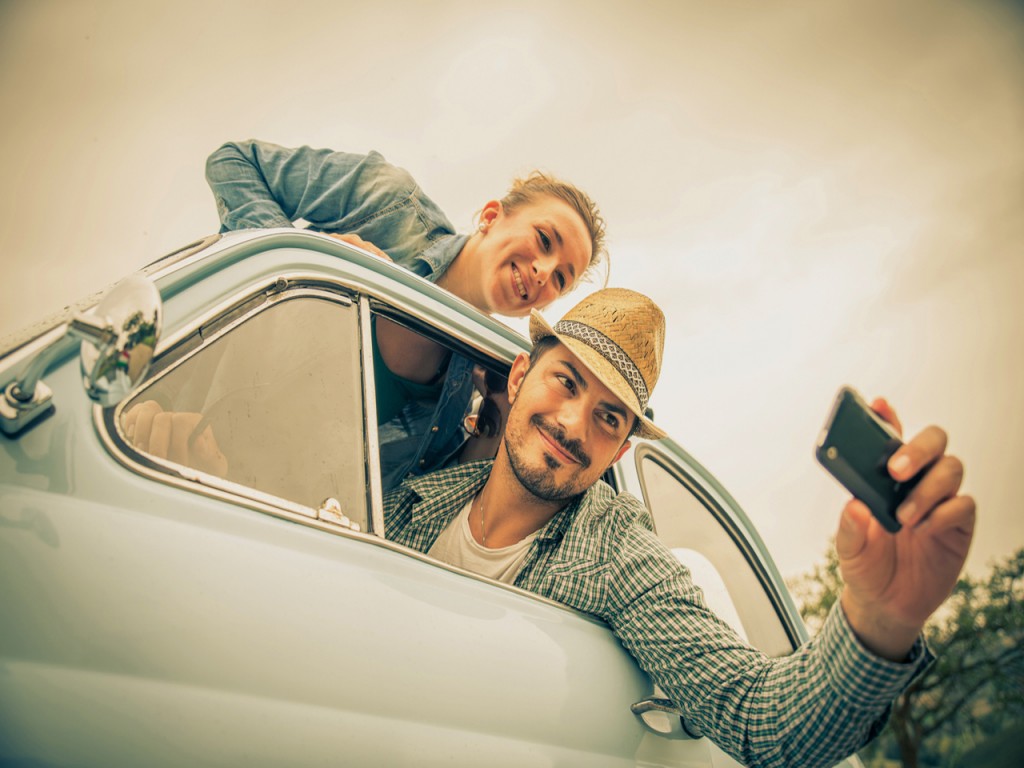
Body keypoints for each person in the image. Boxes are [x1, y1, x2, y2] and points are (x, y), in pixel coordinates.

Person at [382, 287, 976, 768]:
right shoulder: (414, 497)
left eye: (608, 417)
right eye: (566, 381)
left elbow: (758, 716)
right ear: (518, 377)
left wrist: (880, 620)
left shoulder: (613, 552)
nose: (573, 425)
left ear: (618, 451)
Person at [205, 139, 604, 487]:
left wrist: (497, 416)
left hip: (271, 502)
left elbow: (408, 494)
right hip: (195, 430)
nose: (543, 272)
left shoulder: (469, 384)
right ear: (490, 217)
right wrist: (311, 263)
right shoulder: (390, 201)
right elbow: (235, 162)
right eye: (544, 239)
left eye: (561, 278)